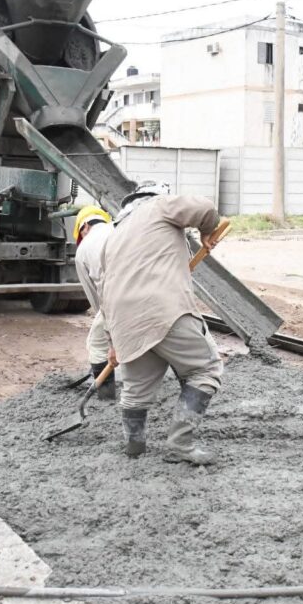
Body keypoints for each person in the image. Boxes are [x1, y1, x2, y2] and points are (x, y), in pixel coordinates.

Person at [100, 181, 223, 465]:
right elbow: (205, 208)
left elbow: (103, 290)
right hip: (163, 308)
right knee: (205, 369)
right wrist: (207, 231)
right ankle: (180, 443)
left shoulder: (114, 237)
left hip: (123, 320)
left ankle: (134, 446)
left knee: (136, 388)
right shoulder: (158, 205)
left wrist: (112, 341)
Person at [72, 205, 115, 399]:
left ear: (85, 226)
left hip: (116, 299)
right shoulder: (119, 228)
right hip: (153, 290)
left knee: (97, 345)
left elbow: (97, 301)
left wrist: (110, 332)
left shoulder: (83, 249)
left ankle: (106, 398)